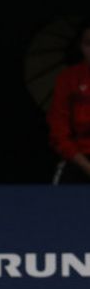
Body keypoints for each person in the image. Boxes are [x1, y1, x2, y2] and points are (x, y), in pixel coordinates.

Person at [48, 19, 90, 184]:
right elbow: (58, 133)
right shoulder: (68, 79)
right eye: (89, 43)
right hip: (78, 160)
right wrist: (86, 166)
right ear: (81, 46)